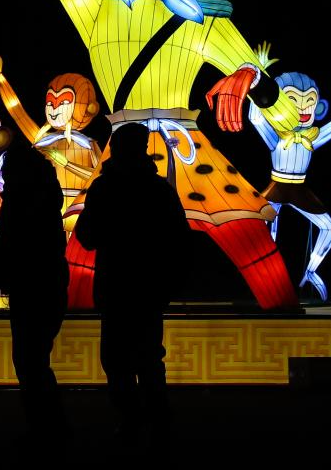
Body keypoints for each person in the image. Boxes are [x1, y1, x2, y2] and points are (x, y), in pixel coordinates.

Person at [75, 123, 190, 443]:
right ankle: (158, 420)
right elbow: (179, 239)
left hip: (114, 285)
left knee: (116, 360)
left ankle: (130, 418)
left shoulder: (103, 189)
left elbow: (86, 236)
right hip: (149, 287)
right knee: (150, 357)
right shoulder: (160, 190)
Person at [0, 144, 70, 435]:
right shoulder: (46, 199)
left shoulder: (21, 203)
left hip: (29, 286)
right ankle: (48, 423)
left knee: (29, 359)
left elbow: (10, 243)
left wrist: (2, 270)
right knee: (35, 357)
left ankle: (44, 425)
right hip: (47, 283)